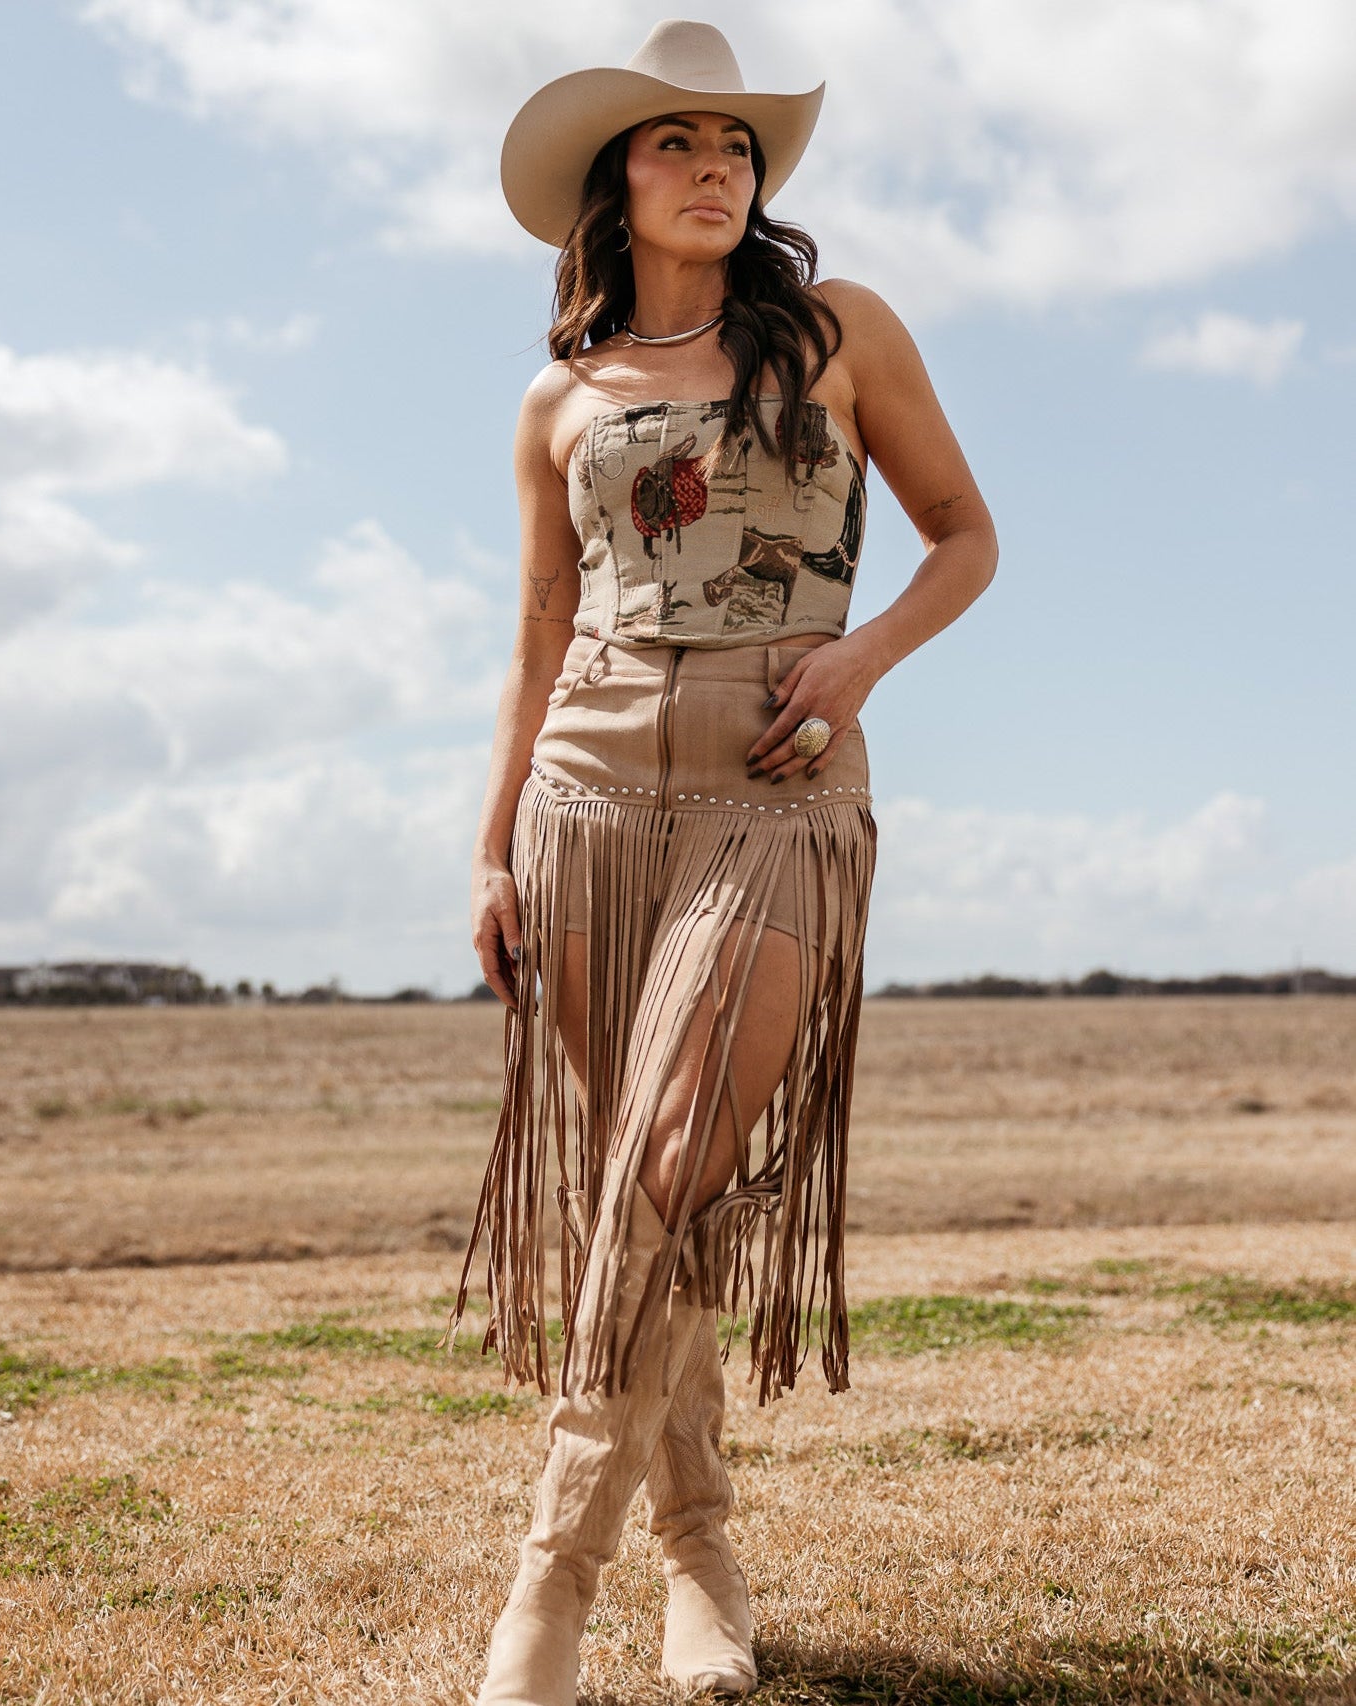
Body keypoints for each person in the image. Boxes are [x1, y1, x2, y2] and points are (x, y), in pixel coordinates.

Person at [449, 20, 998, 1704]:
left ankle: (550, 1577)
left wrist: (858, 660)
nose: (715, 168)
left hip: (778, 793)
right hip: (589, 800)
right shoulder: (563, 396)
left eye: (735, 147)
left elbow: (962, 536)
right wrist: (490, 847)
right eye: (676, 143)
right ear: (614, 183)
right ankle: (701, 1551)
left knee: (674, 1147)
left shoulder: (841, 334)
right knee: (641, 1184)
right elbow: (540, 623)